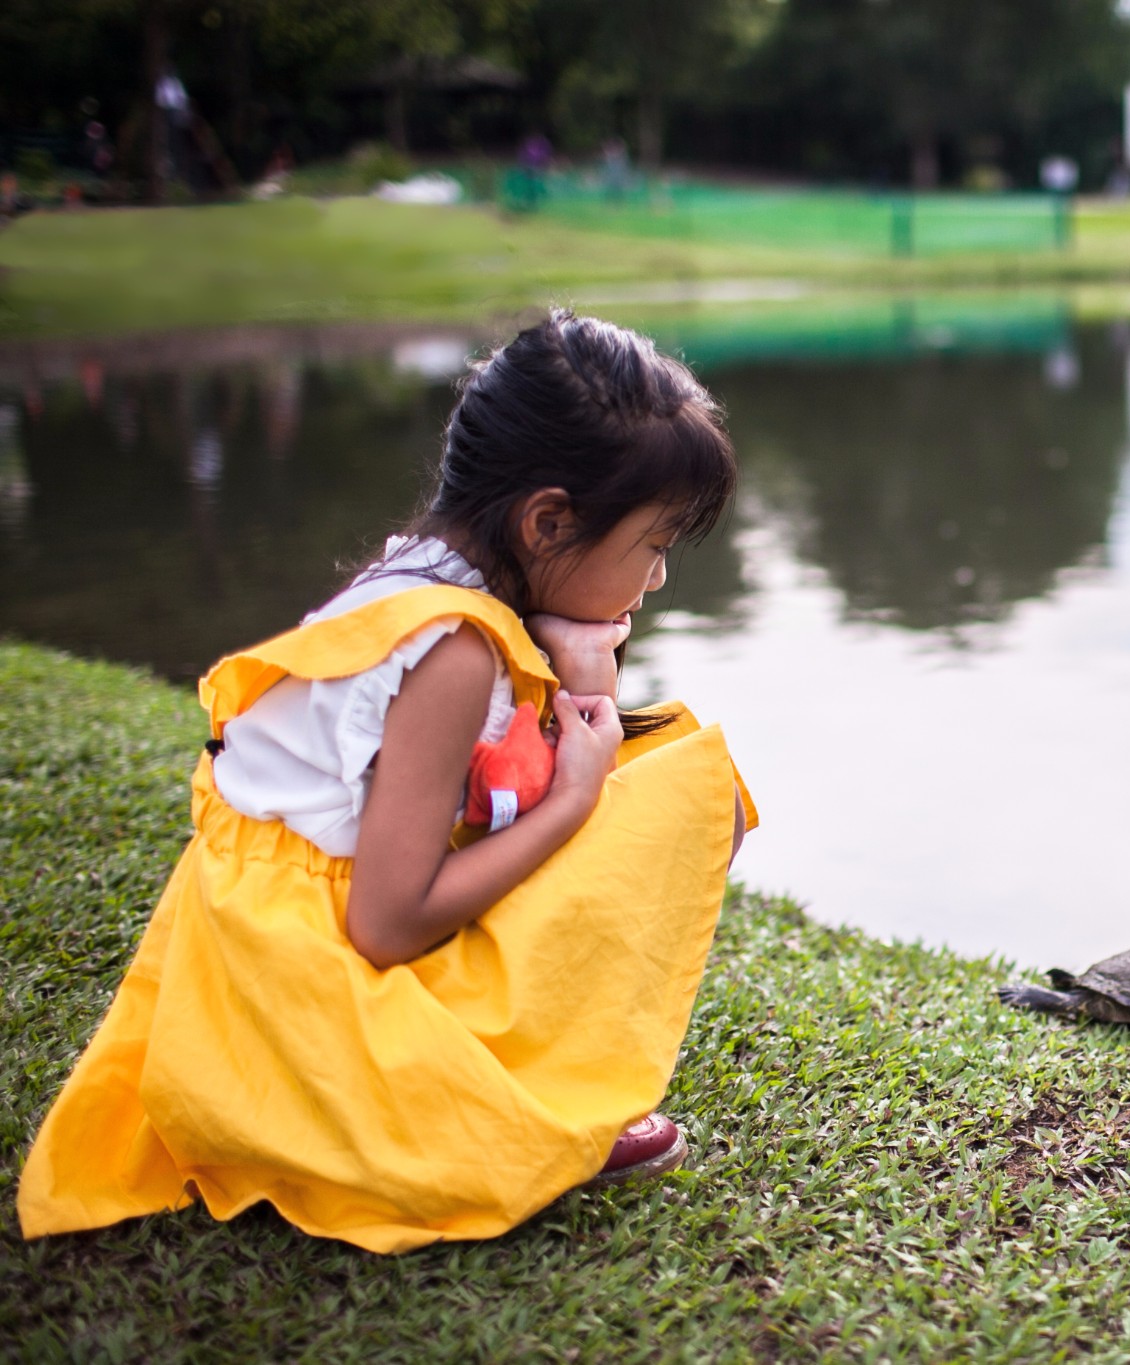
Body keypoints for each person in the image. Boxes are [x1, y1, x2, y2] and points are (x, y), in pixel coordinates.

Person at [15, 310, 756, 1254]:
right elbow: (388, 920)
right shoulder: (450, 650)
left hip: (278, 961)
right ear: (549, 520)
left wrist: (582, 677)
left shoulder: (432, 579)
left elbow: (497, 791)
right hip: (308, 1003)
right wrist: (574, 800)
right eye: (652, 546)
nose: (654, 580)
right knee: (695, 795)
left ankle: (522, 1064)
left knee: (664, 769)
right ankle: (526, 1092)